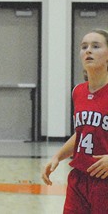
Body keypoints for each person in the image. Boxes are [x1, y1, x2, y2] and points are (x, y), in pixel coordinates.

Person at [42, 29, 108, 213]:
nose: (88, 51)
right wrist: (57, 156)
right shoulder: (78, 91)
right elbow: (82, 133)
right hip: (79, 179)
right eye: (84, 47)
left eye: (96, 46)